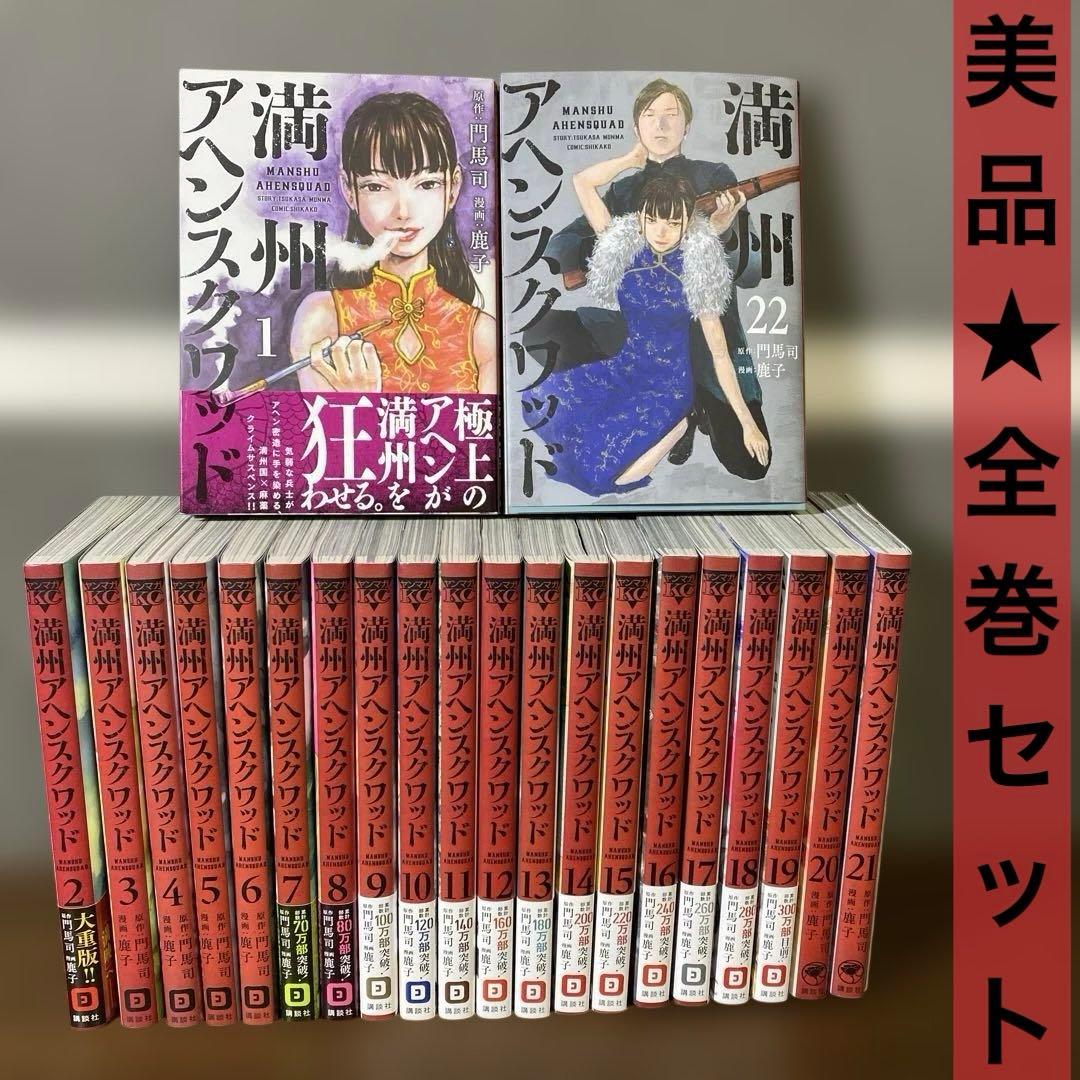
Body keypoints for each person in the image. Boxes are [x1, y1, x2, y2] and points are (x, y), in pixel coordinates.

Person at [534, 77, 771, 479]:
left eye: (671, 115)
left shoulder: (716, 175)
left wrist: (723, 233)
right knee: (542, 333)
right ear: (636, 126)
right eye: (649, 116)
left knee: (749, 464)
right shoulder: (624, 190)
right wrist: (630, 161)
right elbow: (569, 235)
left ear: (686, 125)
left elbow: (749, 272)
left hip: (704, 337)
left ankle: (693, 411)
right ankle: (669, 419)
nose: (660, 125)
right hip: (638, 336)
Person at [291, 91, 497, 395]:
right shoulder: (321, 317)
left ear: (453, 187)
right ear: (349, 190)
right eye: (376, 186)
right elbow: (317, 425)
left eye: (426, 184)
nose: (402, 211)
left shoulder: (481, 334)